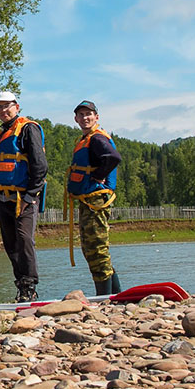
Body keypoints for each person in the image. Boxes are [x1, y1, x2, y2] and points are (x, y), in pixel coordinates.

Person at [0, 91, 48, 302]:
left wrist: (31, 196)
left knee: (24, 241)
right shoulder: (1, 134)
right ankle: (21, 287)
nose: (3, 111)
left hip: (23, 198)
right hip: (2, 199)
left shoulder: (28, 129)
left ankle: (30, 287)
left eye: (7, 106)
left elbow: (40, 165)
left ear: (17, 106)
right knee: (11, 244)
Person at [65, 100, 123, 295]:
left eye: (88, 114)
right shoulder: (85, 139)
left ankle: (104, 298)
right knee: (92, 249)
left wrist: (98, 175)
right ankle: (115, 295)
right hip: (88, 201)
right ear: (76, 119)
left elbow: (113, 158)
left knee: (96, 250)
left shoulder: (97, 138)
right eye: (81, 115)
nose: (84, 118)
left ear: (96, 117)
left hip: (96, 201)